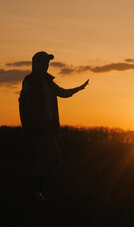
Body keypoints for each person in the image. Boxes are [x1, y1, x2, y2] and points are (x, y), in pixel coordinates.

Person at [19, 51, 89, 202]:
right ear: (36, 63)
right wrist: (27, 123)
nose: (47, 64)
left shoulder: (48, 81)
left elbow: (63, 93)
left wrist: (79, 88)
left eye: (48, 62)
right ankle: (33, 189)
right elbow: (22, 102)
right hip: (38, 125)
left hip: (49, 126)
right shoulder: (30, 80)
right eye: (45, 61)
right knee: (55, 159)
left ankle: (32, 189)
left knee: (48, 159)